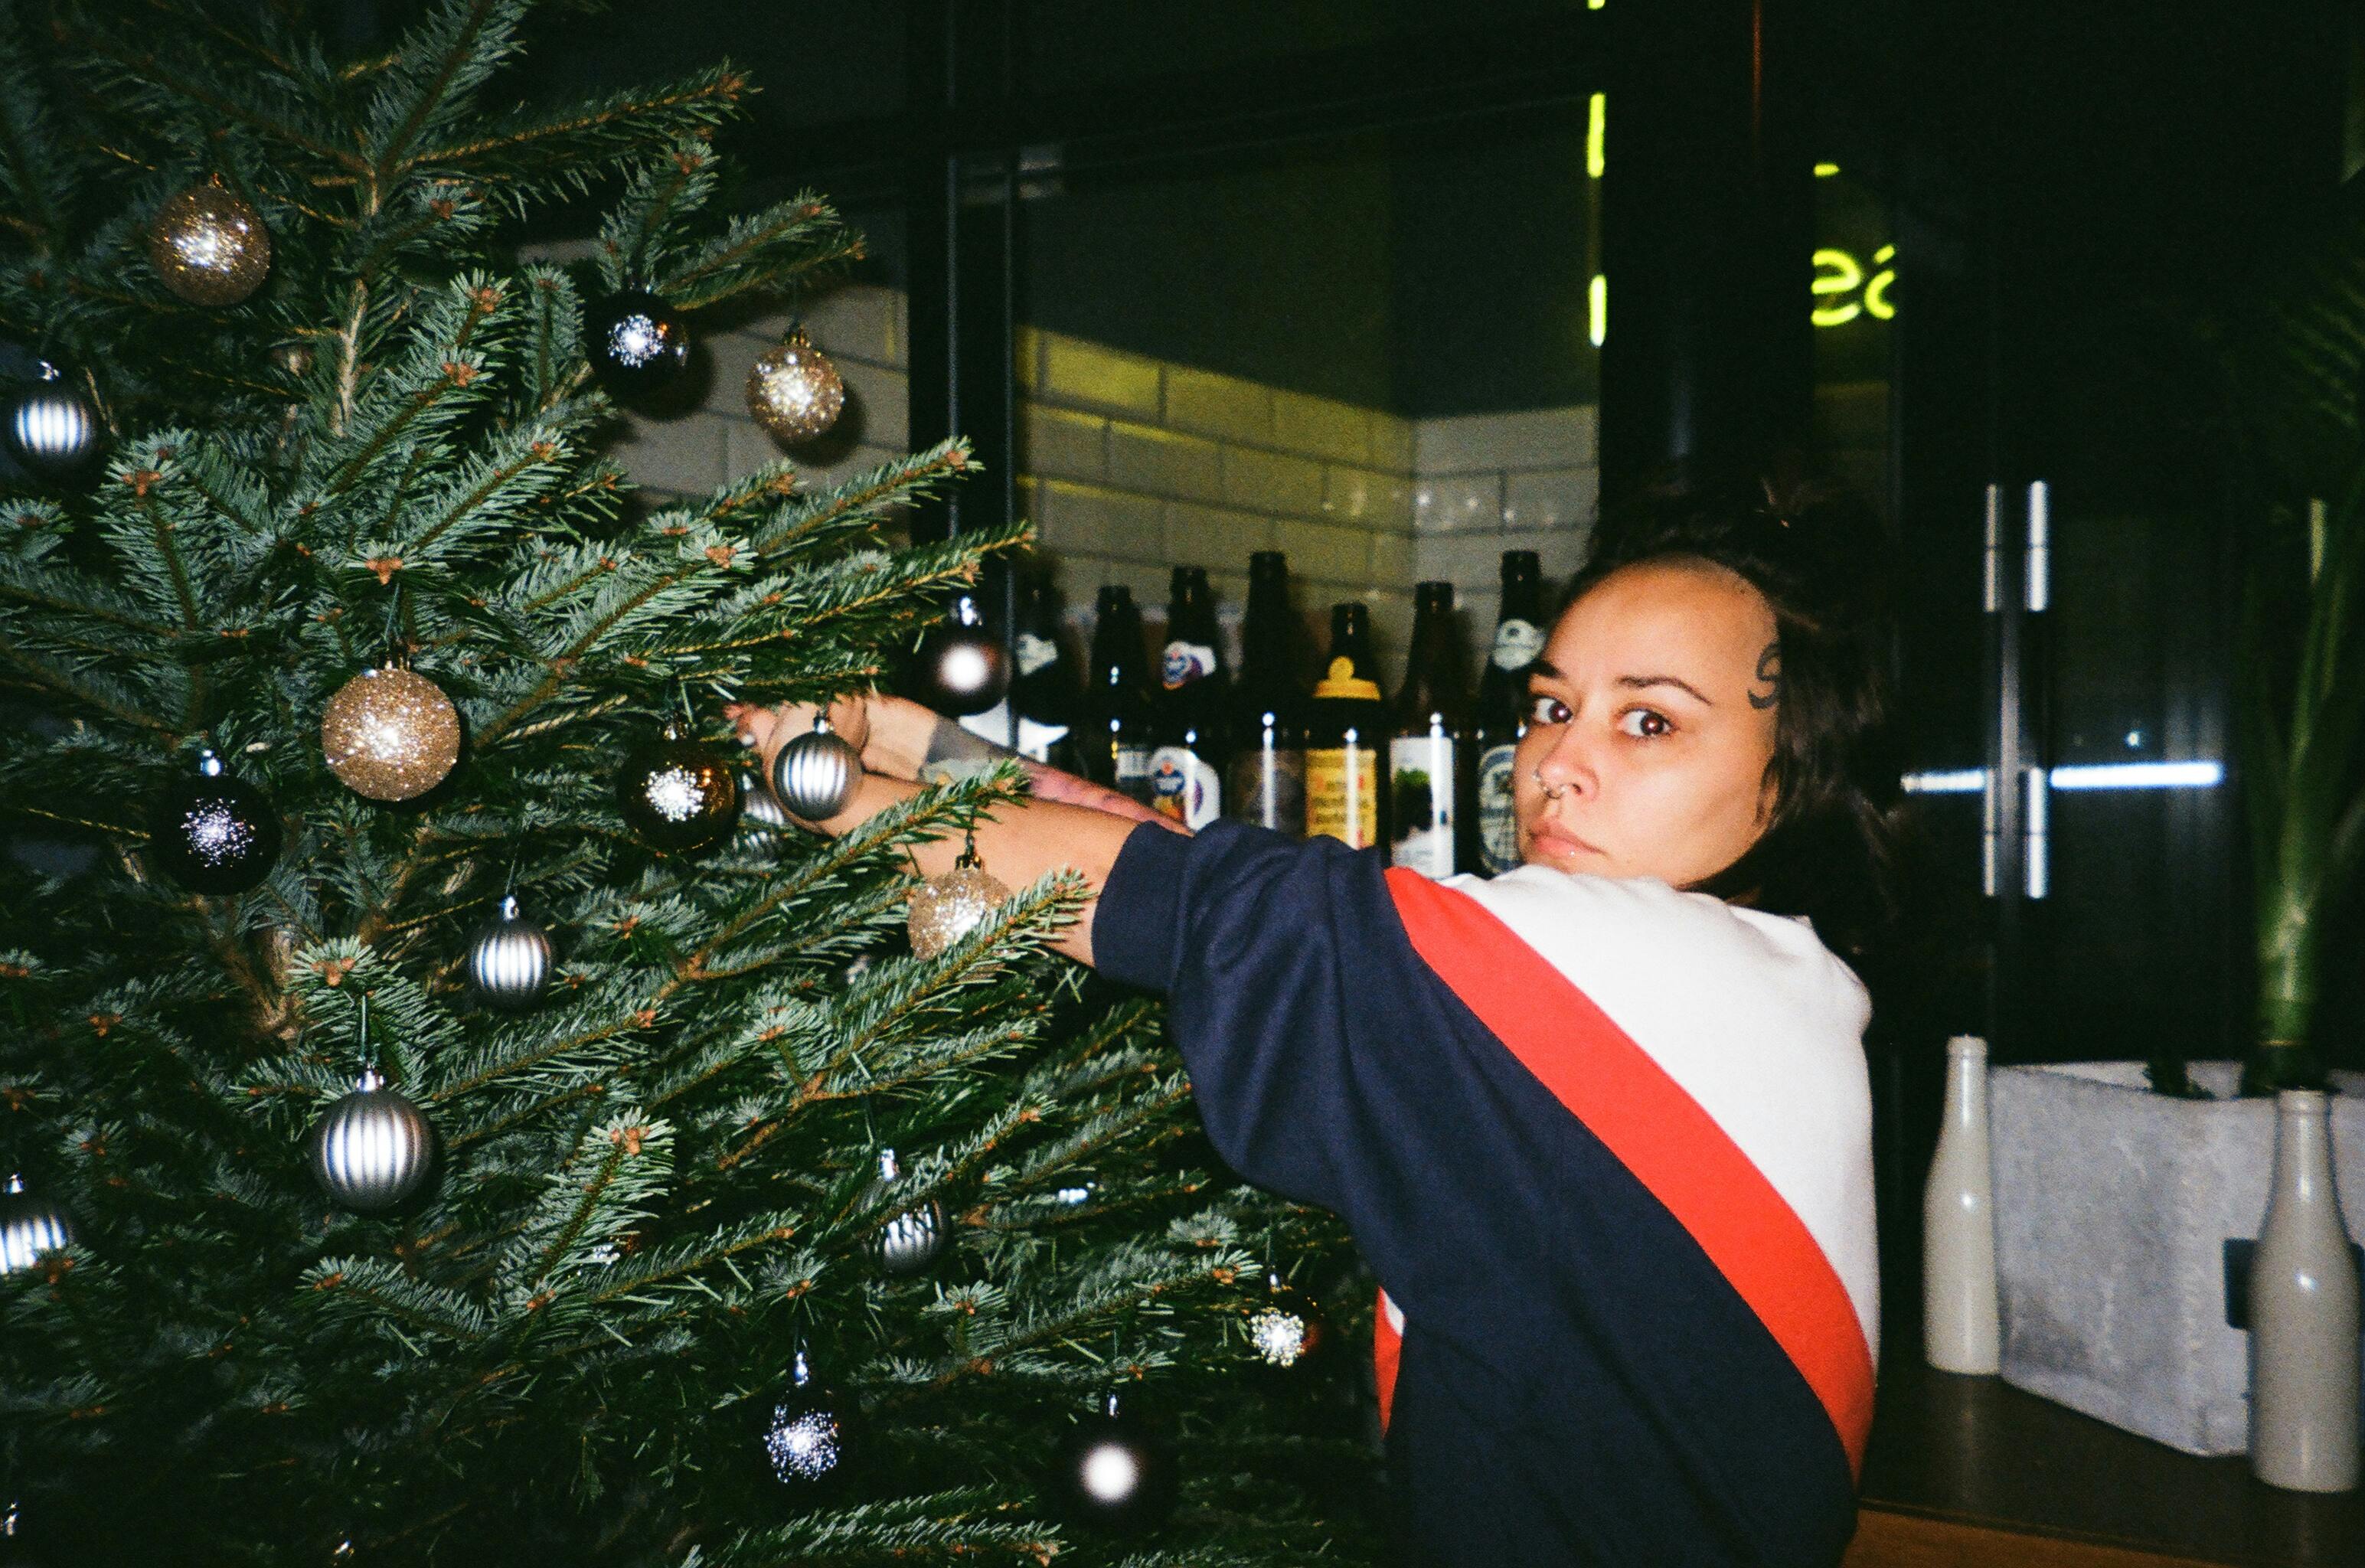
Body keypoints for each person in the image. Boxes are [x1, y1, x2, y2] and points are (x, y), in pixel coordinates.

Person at [729, 475, 1908, 1566]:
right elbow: (1193, 865)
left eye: (1647, 722)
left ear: (1788, 775)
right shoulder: (1767, 981)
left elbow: (1182, 907)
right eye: (1552, 706)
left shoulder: (1629, 958)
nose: (1555, 763)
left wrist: (805, 778)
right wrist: (903, 741)